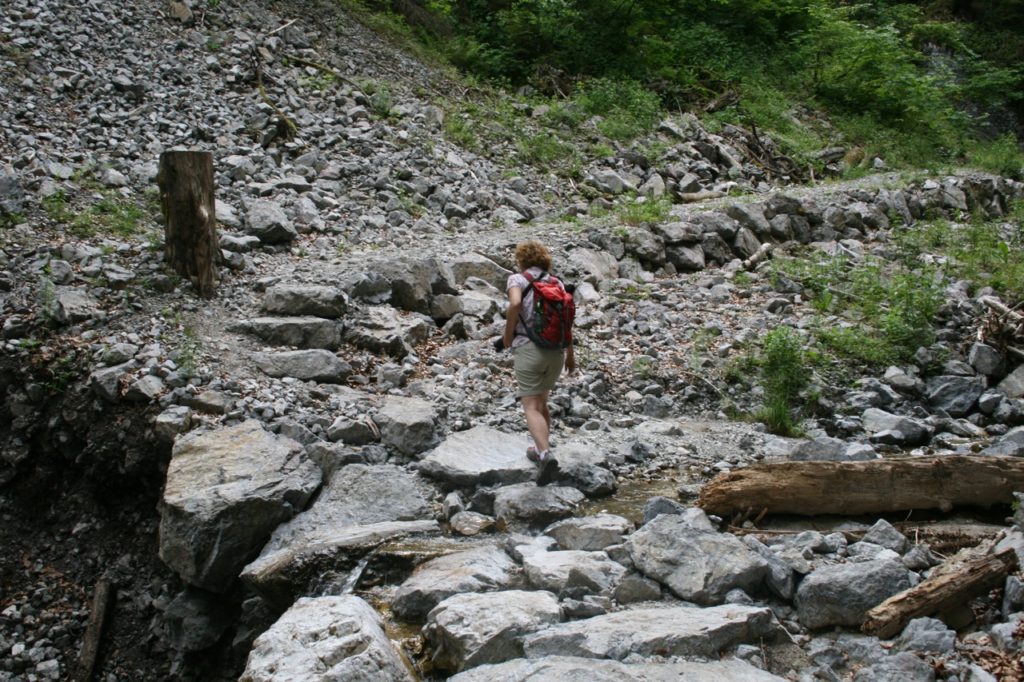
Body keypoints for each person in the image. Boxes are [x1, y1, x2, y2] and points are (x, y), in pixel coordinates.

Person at [500, 240, 575, 485]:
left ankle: (544, 454)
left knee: (530, 405)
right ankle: (539, 447)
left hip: (529, 349)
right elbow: (566, 321)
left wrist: (508, 336)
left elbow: (515, 304)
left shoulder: (517, 280)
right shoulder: (557, 283)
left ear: (521, 260)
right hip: (556, 352)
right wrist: (571, 355)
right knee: (542, 401)